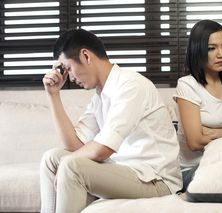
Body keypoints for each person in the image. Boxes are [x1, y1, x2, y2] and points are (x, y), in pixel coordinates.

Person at [41, 29, 182, 213]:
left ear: (85, 56)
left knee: (70, 165)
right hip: (126, 172)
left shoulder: (130, 85)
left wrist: (68, 163)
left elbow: (101, 150)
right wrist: (53, 95)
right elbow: (75, 146)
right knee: (51, 159)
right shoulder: (100, 96)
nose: (70, 78)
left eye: (68, 69)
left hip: (156, 181)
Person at [173, 20, 222, 192]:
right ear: (198, 50)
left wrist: (213, 132)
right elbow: (195, 142)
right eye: (211, 48)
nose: (221, 54)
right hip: (193, 169)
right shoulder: (187, 85)